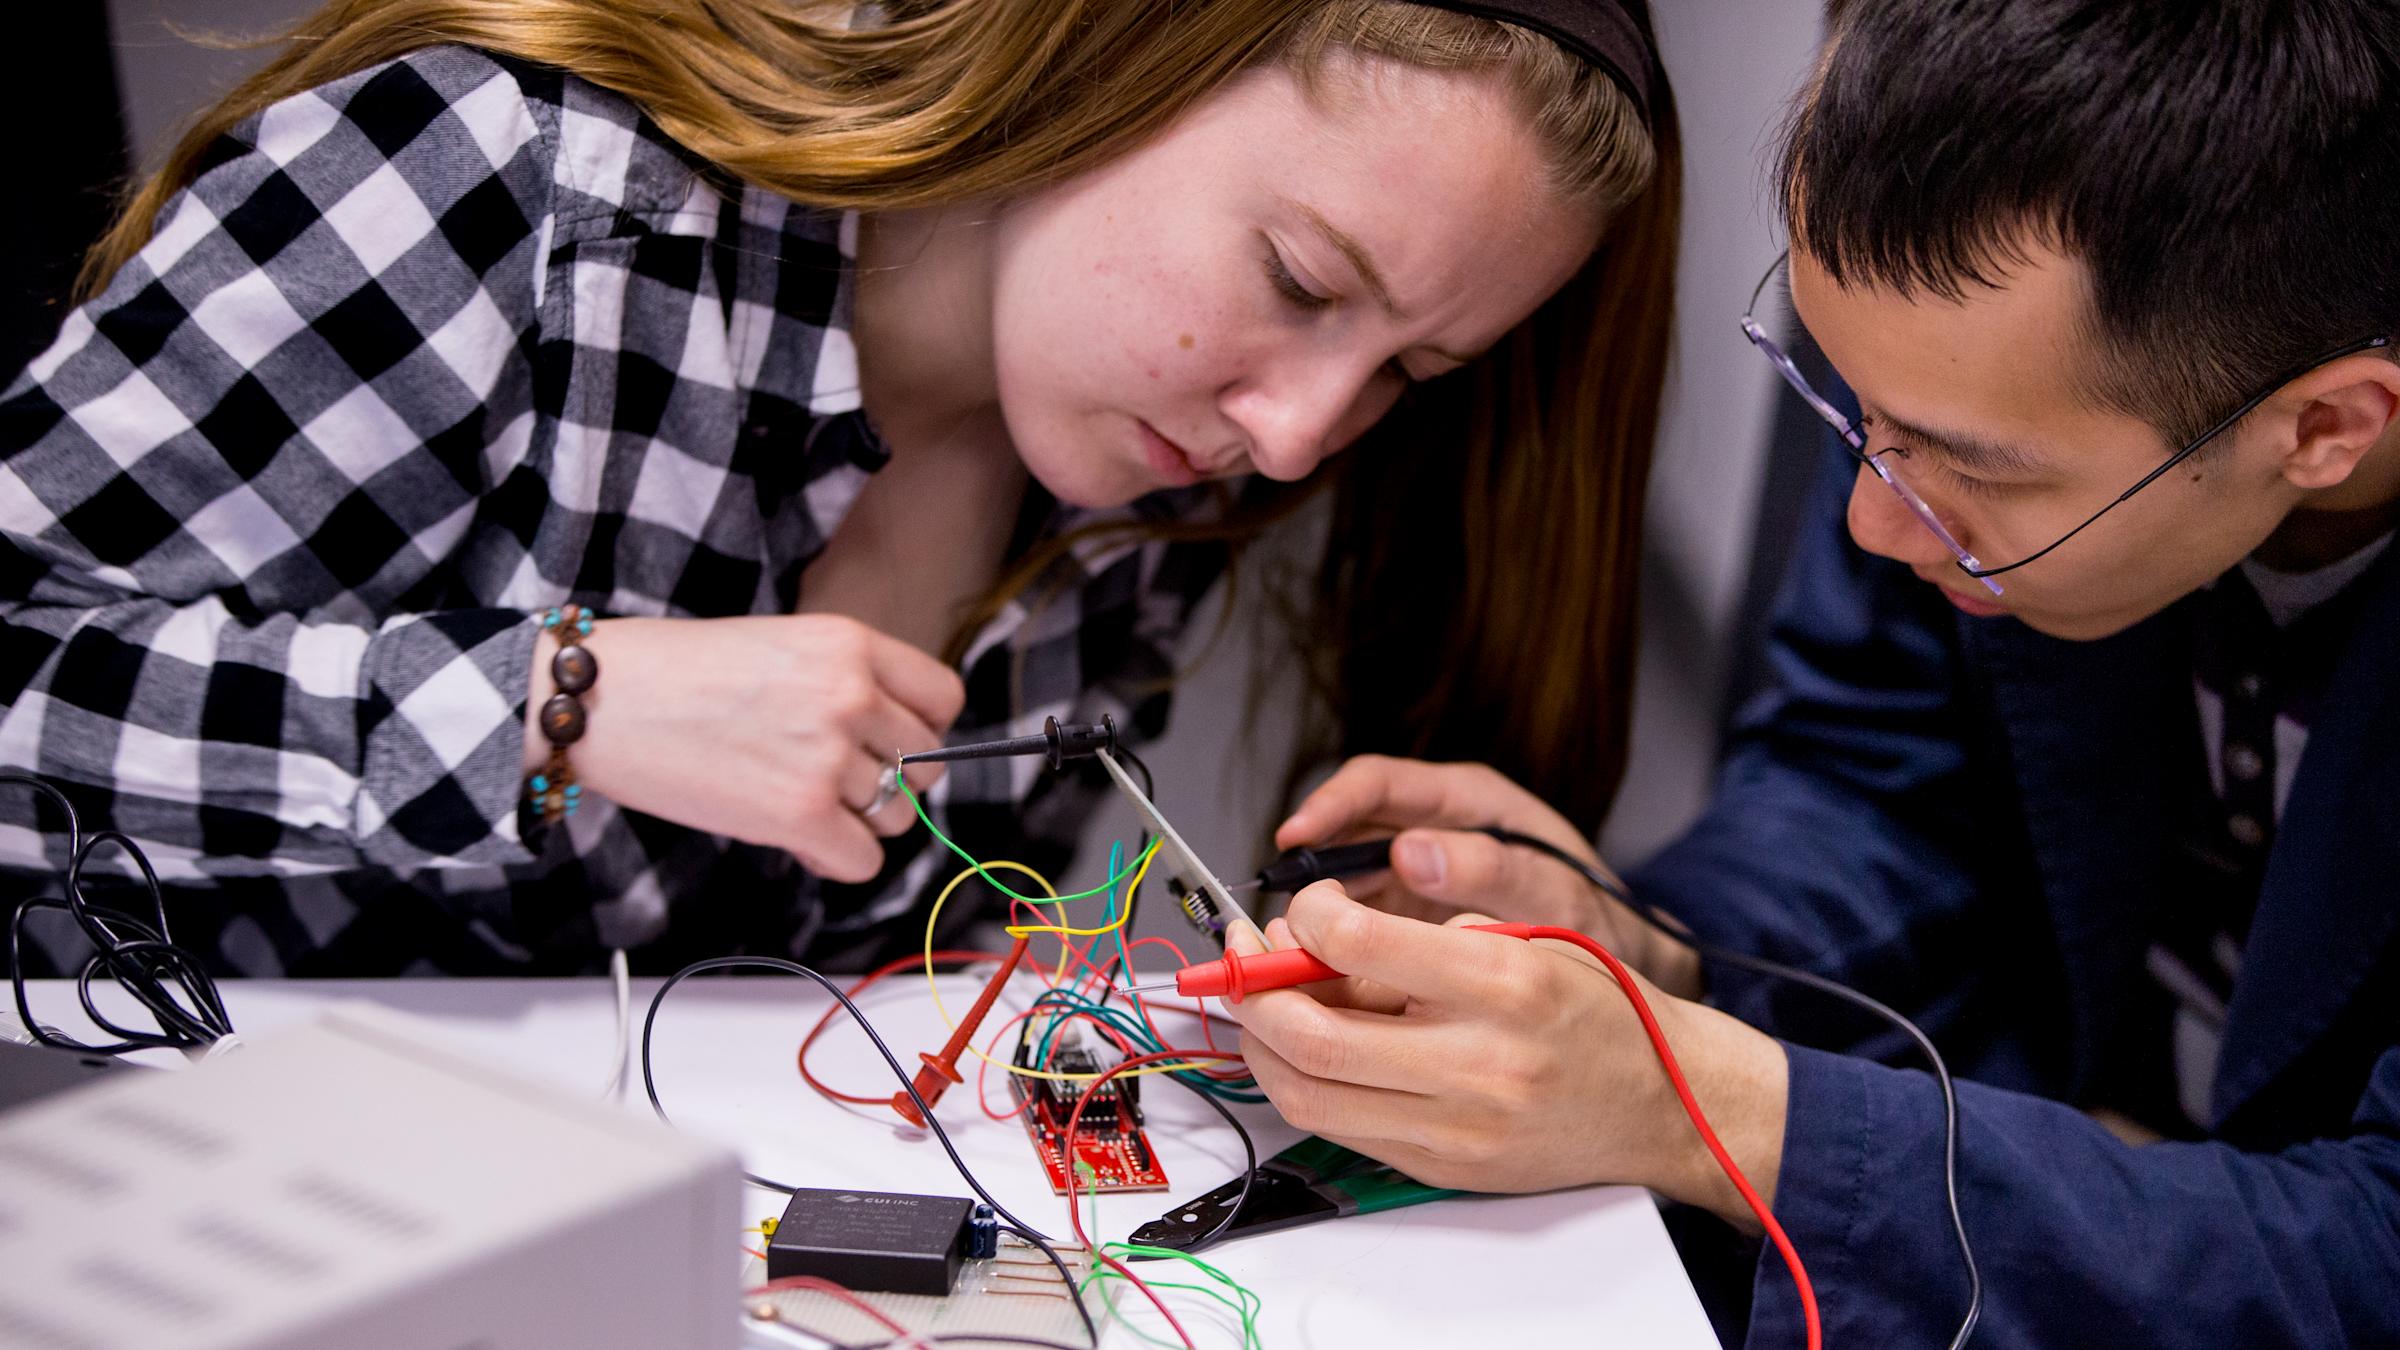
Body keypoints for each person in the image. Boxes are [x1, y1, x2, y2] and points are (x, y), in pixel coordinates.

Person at [0, 1, 1679, 976]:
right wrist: (553, 707)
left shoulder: (1150, 476)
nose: (1301, 434)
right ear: (1109, 54)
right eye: (1301, 280)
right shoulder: (504, 185)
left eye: (1406, 371)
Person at [1232, 1, 2400, 1344]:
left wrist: (1706, 1103)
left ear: (2324, 425)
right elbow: (1868, 775)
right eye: (1853, 410)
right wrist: (1658, 949)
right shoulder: (1958, 355)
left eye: (1970, 471)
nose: (1872, 522)